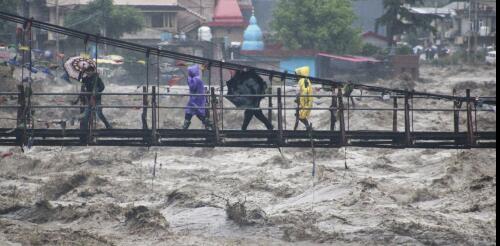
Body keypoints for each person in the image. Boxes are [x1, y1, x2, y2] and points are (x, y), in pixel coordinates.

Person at [183, 64, 212, 130]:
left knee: (189, 113)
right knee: (199, 114)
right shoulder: (197, 79)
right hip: (198, 100)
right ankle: (210, 124)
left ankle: (185, 128)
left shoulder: (193, 80)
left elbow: (192, 87)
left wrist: (188, 78)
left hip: (194, 100)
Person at [294, 66, 313, 131]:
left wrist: (300, 98)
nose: (296, 76)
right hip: (306, 101)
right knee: (300, 115)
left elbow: (305, 91)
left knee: (300, 116)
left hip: (306, 102)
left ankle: (308, 128)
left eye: (297, 74)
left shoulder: (304, 80)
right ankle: (307, 127)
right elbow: (303, 91)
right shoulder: (305, 80)